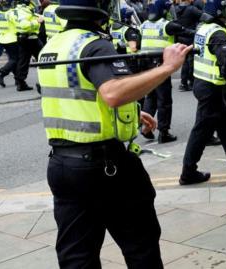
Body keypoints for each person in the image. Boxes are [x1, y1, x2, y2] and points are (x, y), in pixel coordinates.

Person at [37, 0, 192, 267]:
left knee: (77, 256)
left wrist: (132, 111)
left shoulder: (52, 46)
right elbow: (113, 93)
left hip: (62, 165)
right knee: (140, 245)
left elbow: (76, 95)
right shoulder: (95, 45)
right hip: (104, 167)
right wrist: (167, 68)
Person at [180, 0, 226, 185]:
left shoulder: (204, 28)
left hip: (203, 84)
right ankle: (188, 172)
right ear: (218, 10)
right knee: (200, 131)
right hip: (211, 89)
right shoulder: (217, 33)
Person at [140, 0, 194, 143]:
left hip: (147, 68)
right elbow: (188, 33)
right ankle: (164, 133)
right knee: (164, 101)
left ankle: (146, 128)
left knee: (151, 98)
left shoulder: (144, 25)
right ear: (163, 11)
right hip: (160, 66)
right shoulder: (167, 25)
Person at [14, 0, 43, 91]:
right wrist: (37, 21)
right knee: (43, 59)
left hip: (25, 38)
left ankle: (20, 83)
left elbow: (29, 17)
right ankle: (46, 81)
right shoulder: (23, 11)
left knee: (23, 61)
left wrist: (37, 16)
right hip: (30, 38)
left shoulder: (22, 9)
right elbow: (24, 25)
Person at [174, 0, 202, 92]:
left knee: (185, 61)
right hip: (190, 36)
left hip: (180, 37)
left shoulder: (176, 9)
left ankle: (183, 83)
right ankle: (191, 82)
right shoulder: (191, 9)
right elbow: (204, 16)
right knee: (191, 61)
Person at [0, 0, 19, 87]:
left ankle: (17, 79)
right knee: (15, 59)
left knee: (13, 59)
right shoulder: (11, 13)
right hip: (12, 38)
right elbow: (17, 24)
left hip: (3, 38)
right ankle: (1, 73)